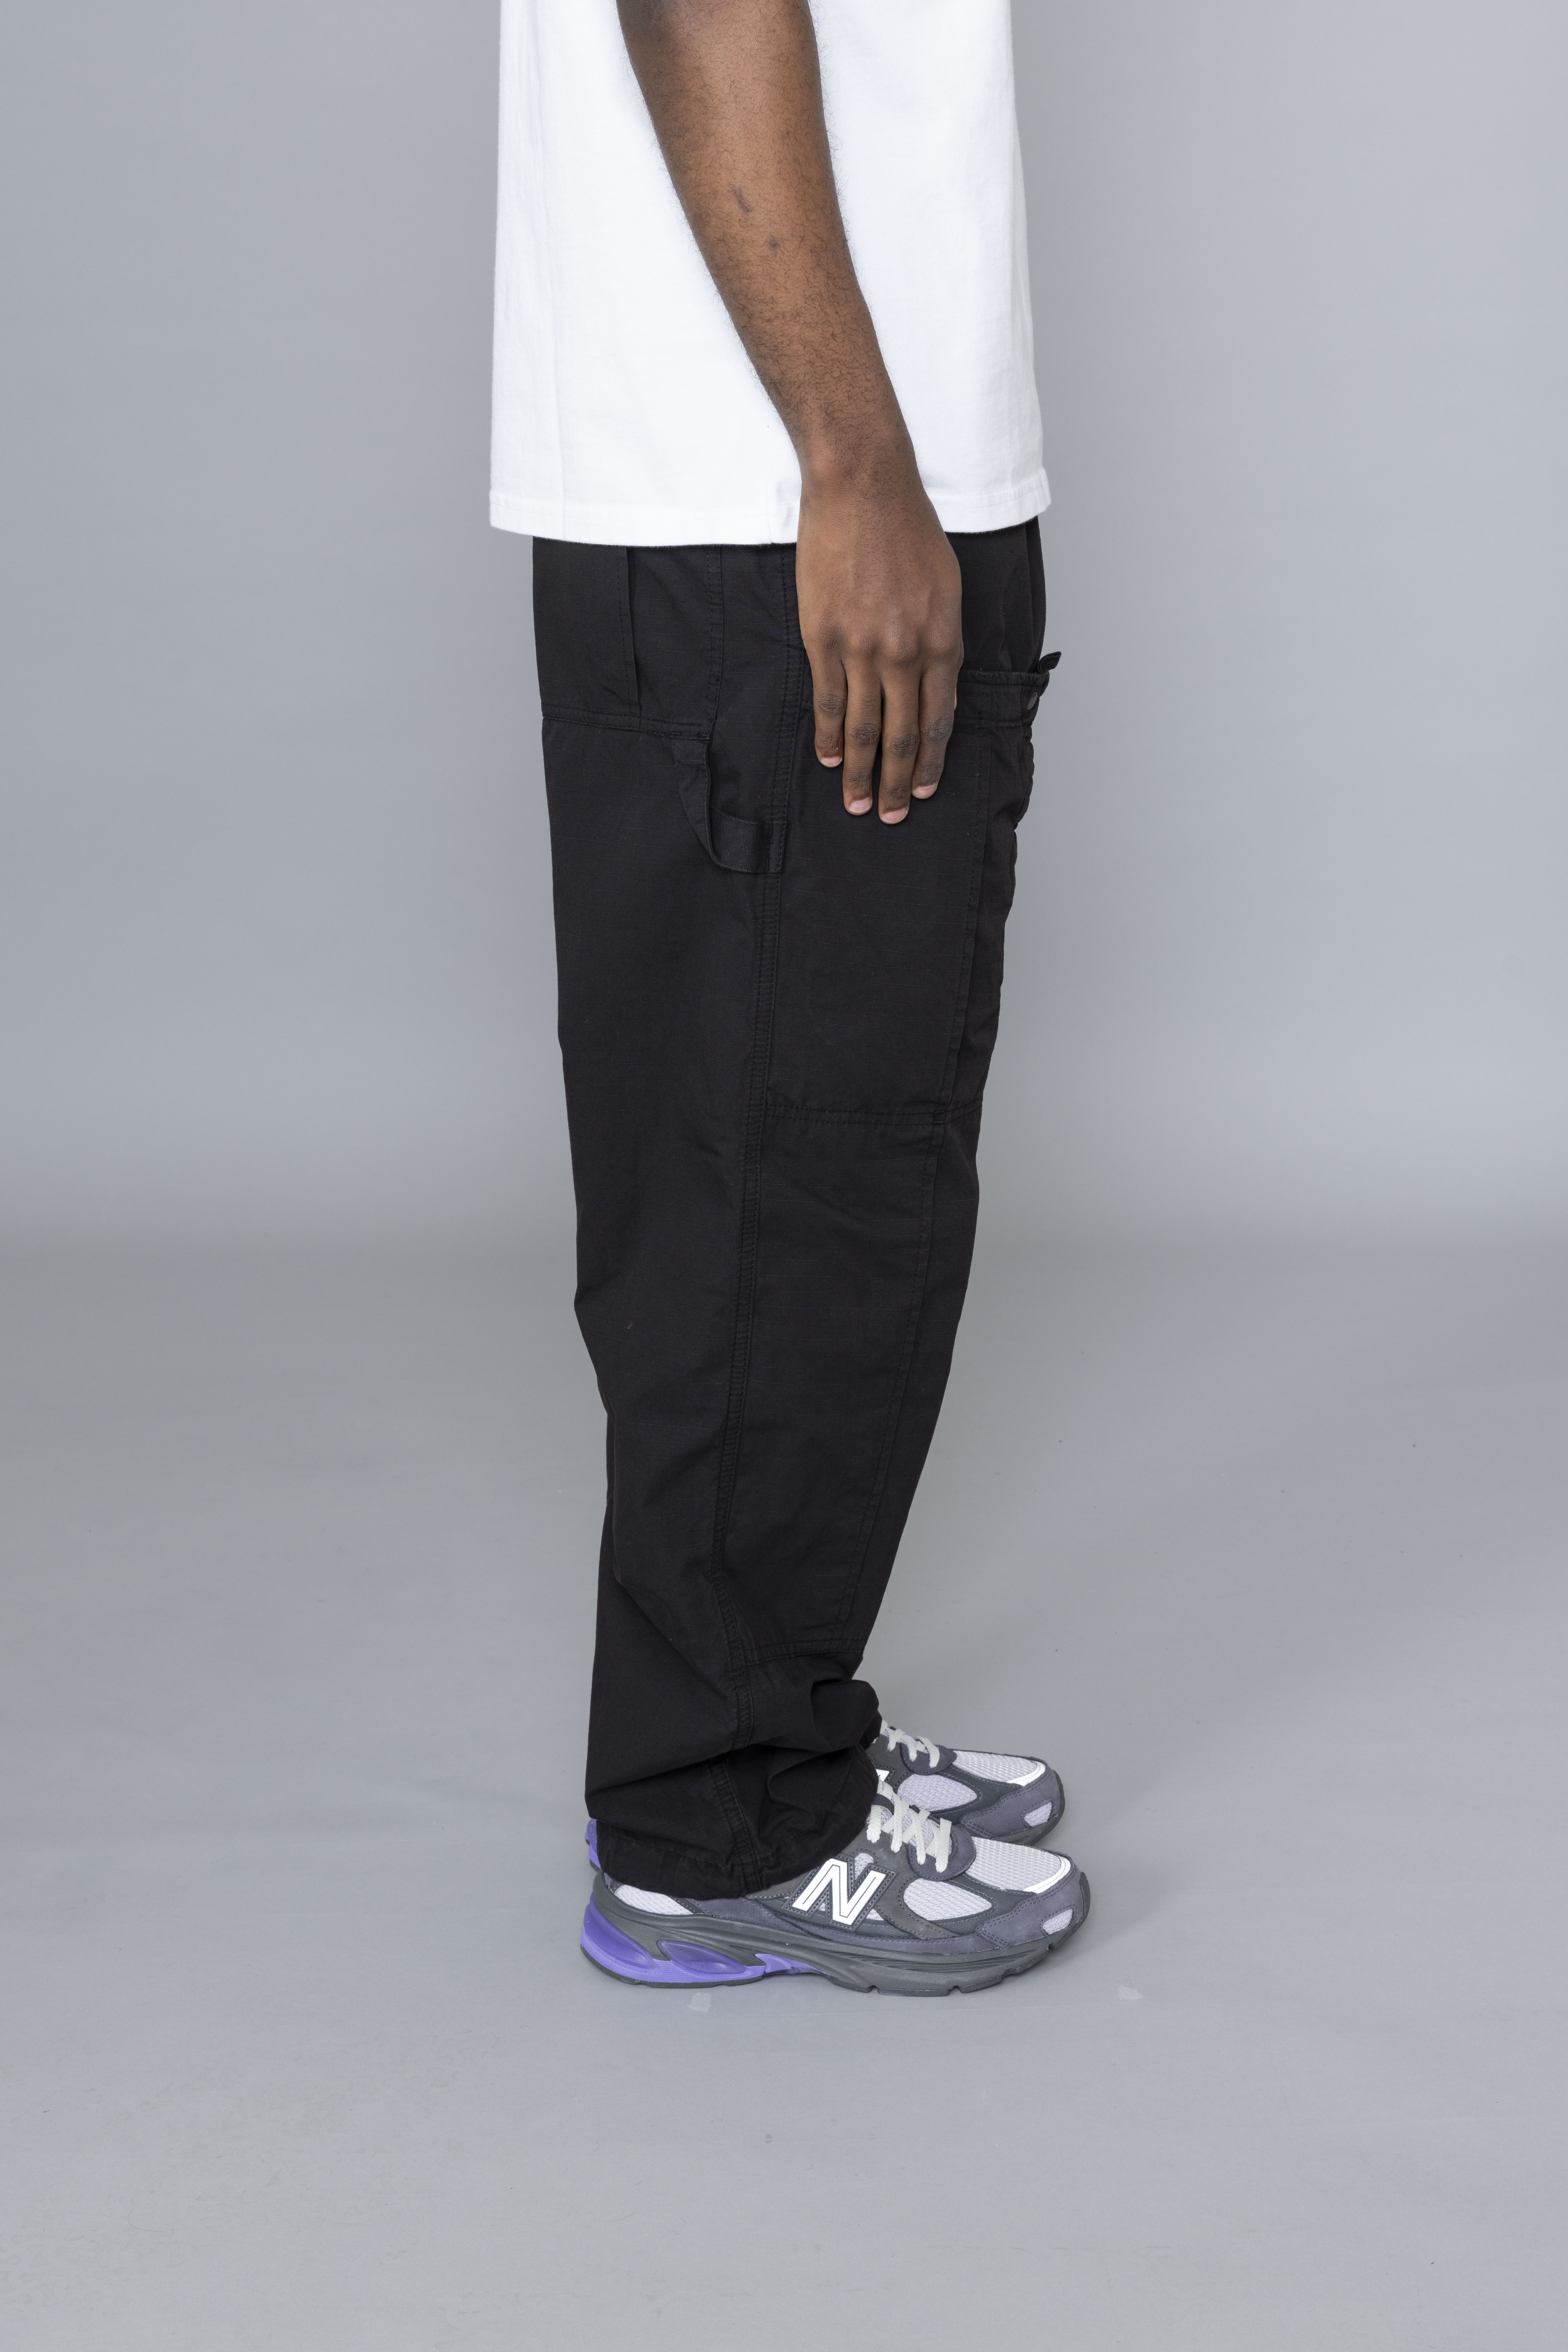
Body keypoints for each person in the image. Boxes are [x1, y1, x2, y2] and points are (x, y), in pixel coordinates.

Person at [492, 0, 1087, 1992]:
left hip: (805, 493)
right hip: (779, 509)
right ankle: (723, 1814)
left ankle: (768, 1717)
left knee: (809, 1171)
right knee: (788, 1197)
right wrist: (853, 461)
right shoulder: (819, 485)